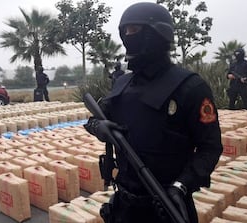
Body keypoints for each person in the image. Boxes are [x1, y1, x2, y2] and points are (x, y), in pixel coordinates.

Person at [83, 2, 223, 223]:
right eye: (125, 31)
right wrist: (98, 127)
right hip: (124, 206)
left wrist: (181, 186)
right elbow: (96, 117)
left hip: (166, 206)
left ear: (158, 34)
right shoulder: (122, 84)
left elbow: (210, 147)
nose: (129, 36)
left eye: (135, 30)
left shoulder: (190, 87)